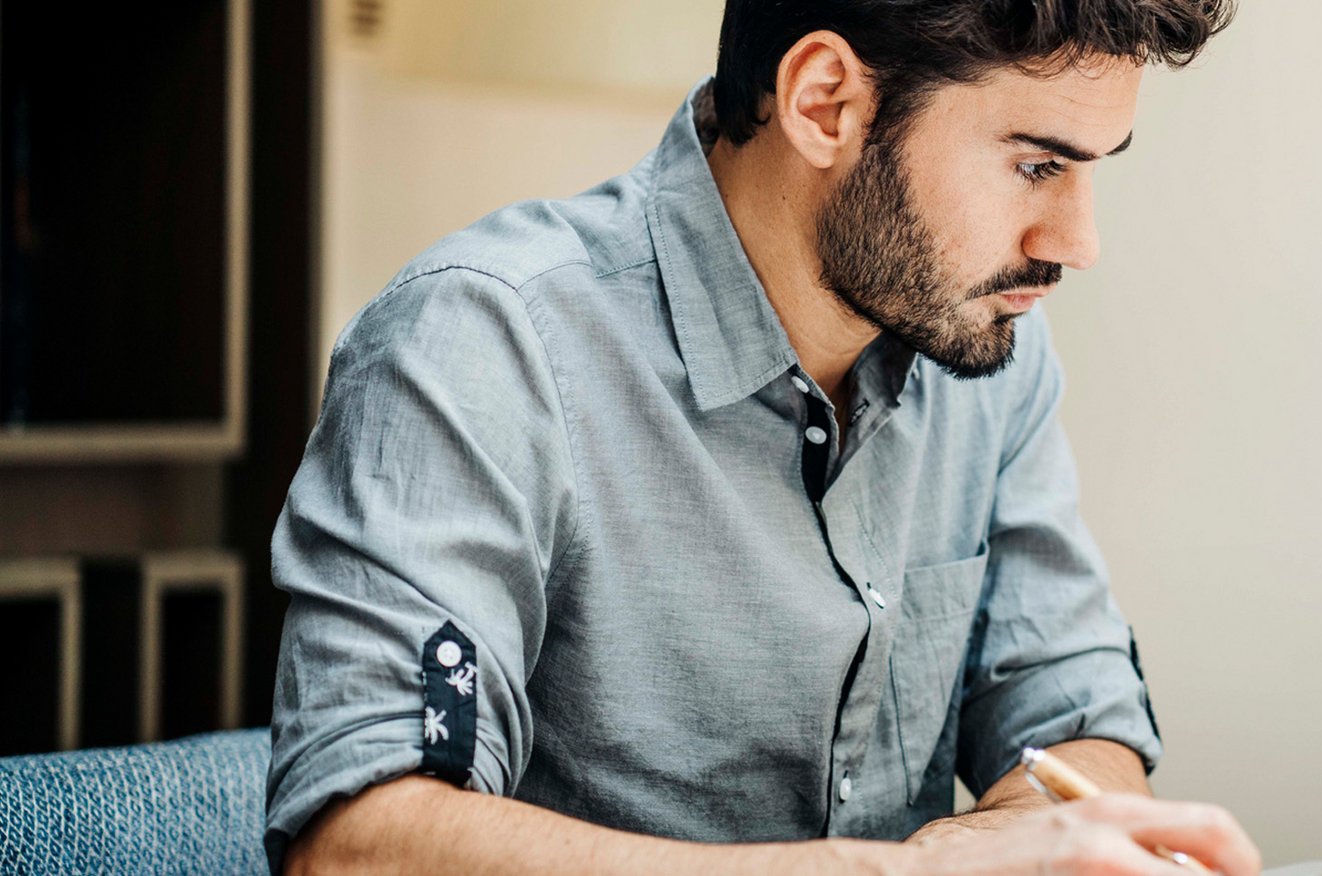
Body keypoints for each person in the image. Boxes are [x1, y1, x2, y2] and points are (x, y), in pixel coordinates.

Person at [263, 1, 1258, 873]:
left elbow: (1072, 720)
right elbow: (358, 844)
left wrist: (1014, 841)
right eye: (1036, 164)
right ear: (824, 102)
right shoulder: (481, 343)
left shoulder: (986, 354)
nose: (1075, 243)